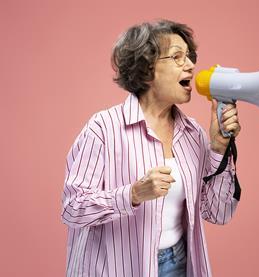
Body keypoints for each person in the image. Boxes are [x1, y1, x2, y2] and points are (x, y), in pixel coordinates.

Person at [61, 19, 241, 277]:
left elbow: (218, 213)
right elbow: (72, 208)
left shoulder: (192, 135)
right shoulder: (103, 128)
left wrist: (219, 147)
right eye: (178, 57)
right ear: (147, 69)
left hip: (176, 264)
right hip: (114, 269)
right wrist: (133, 193)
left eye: (190, 56)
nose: (190, 65)